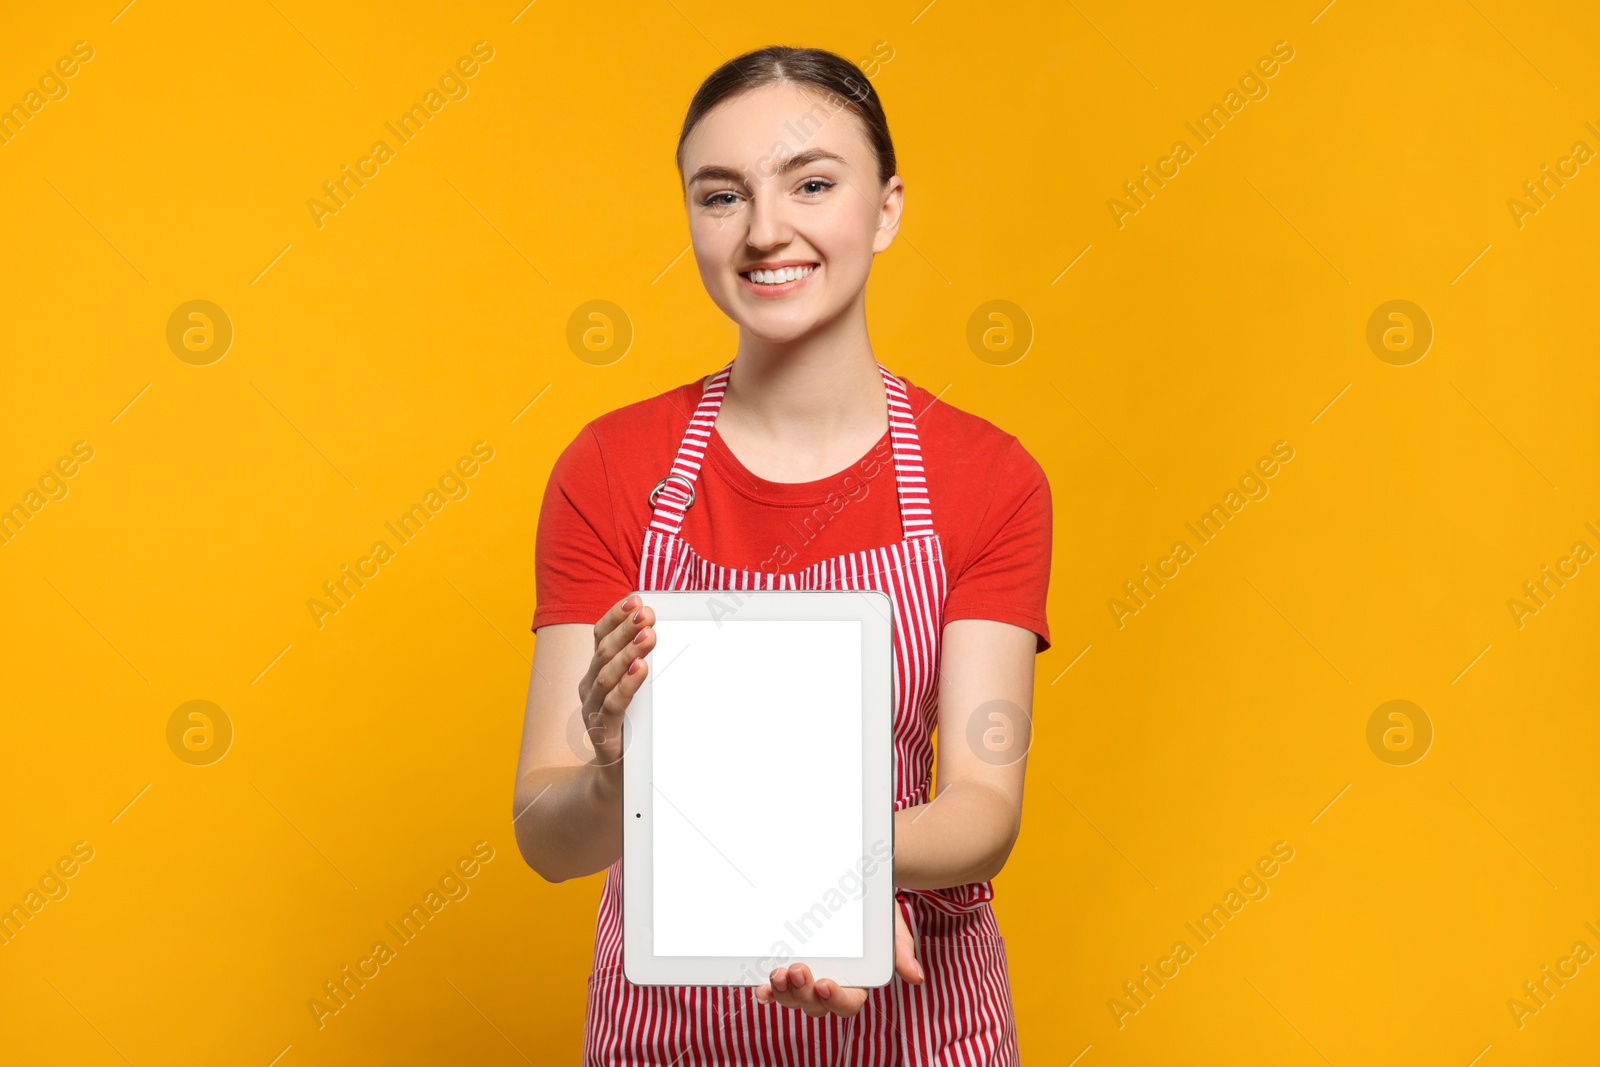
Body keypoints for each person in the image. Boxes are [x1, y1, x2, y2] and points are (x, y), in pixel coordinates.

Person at [513, 45, 1052, 1065]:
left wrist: (822, 881)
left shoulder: (985, 476)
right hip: (669, 1035)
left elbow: (983, 808)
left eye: (811, 183)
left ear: (886, 208)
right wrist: (618, 779)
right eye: (721, 196)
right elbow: (548, 832)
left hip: (917, 1020)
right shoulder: (610, 467)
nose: (765, 231)